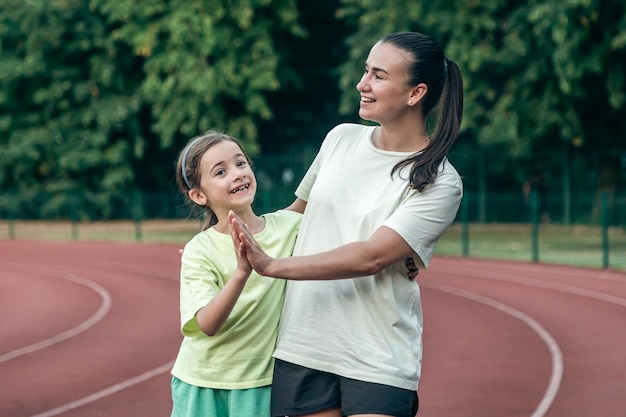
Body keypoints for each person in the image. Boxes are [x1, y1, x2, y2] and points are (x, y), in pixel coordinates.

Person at [230, 31, 464, 417]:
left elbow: (371, 256)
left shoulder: (440, 180)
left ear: (415, 93)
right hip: (303, 343)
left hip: (377, 354)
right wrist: (224, 239)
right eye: (365, 71)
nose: (362, 84)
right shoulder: (339, 139)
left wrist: (272, 267)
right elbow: (294, 217)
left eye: (378, 75)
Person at [170, 131, 302, 417]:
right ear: (198, 195)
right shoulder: (200, 250)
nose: (237, 174)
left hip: (260, 382)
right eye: (221, 171)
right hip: (202, 382)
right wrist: (242, 272)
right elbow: (206, 323)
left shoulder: (290, 227)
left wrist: (400, 256)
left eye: (241, 163)